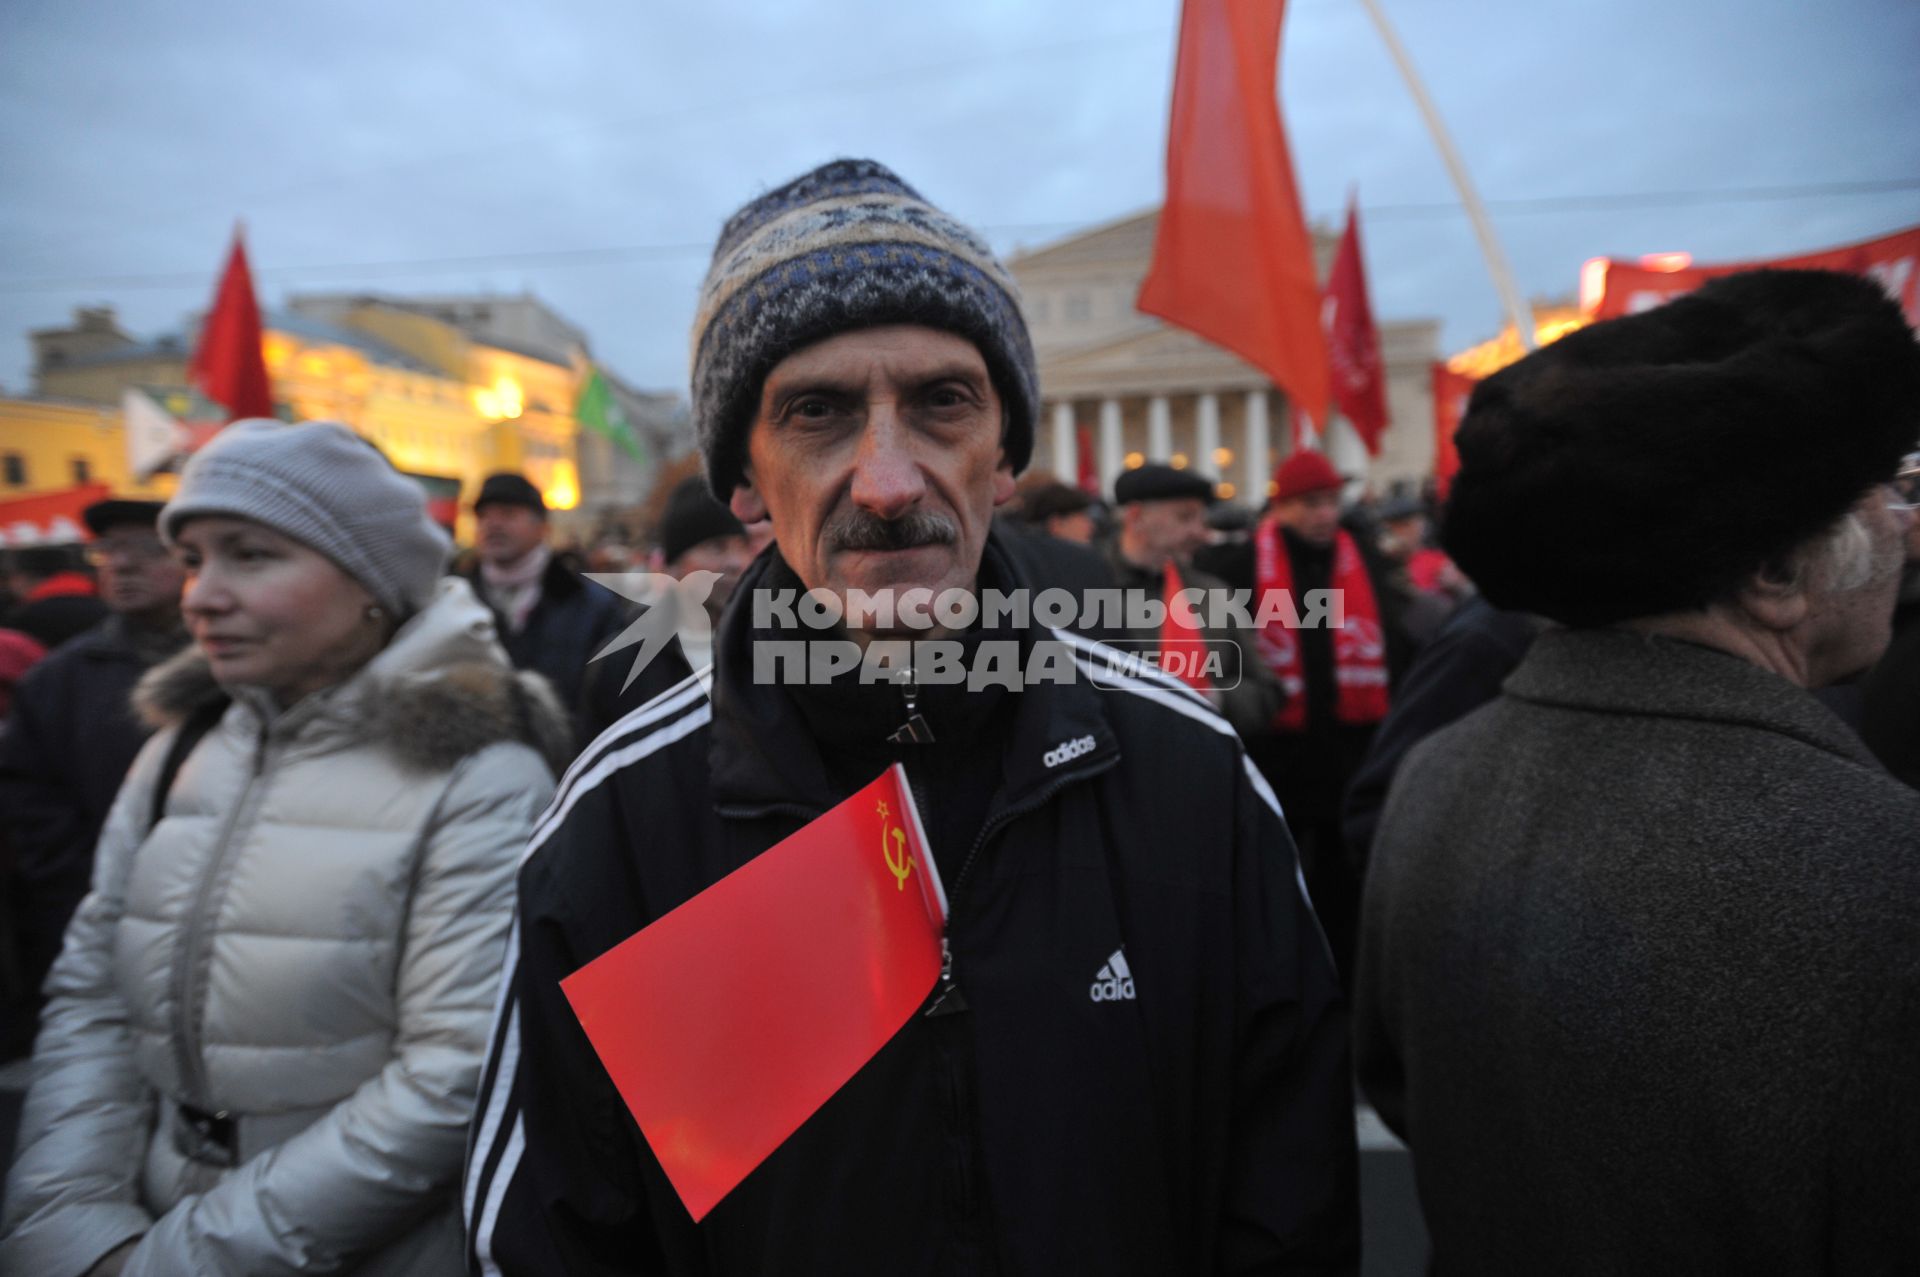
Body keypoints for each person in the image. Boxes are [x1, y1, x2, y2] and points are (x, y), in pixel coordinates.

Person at [466, 158, 1358, 1276]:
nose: (889, 481)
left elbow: (1290, 1196)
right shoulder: (623, 818)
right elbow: (551, 1238)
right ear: (745, 481)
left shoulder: (1188, 769)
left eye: (942, 402)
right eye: (818, 412)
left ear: (1007, 455)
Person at [1354, 270, 1920, 1273]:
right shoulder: (1884, 861)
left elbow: (1400, 1085)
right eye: (1893, 492)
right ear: (1779, 576)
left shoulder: (1432, 778)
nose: (1908, 525)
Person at [0, 419, 568, 1277]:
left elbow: (453, 1079)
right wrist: (71, 1224)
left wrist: (178, 1261)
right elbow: (92, 998)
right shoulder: (180, 749)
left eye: (250, 556)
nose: (200, 595)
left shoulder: (479, 774)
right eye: (194, 559)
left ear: (370, 583)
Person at [1196, 450, 1407, 984]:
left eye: (1333, 502)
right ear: (1283, 506)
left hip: (1348, 758)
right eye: (1313, 503)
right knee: (1271, 883)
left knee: (1346, 889)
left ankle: (1347, 981)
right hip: (1274, 757)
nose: (1325, 514)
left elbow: (1394, 645)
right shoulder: (1240, 566)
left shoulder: (1361, 561)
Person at [0, 499, 188, 1064]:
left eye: (147, 551)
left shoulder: (242, 665)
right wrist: (81, 885)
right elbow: (28, 794)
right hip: (101, 921)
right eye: (110, 552)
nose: (122, 566)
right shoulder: (62, 676)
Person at [1106, 463, 1281, 737]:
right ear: (1136, 517)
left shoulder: (1212, 593)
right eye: (1185, 518)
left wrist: (1214, 698)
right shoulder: (1083, 588)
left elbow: (1266, 691)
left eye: (1201, 519)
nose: (1201, 532)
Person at [577, 474, 755, 736]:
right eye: (717, 548)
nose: (736, 562)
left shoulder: (771, 648)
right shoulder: (622, 663)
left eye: (743, 547)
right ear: (672, 567)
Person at [460, 471, 627, 715]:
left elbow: (613, 699)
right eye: (484, 516)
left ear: (542, 528)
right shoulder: (455, 603)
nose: (493, 525)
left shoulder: (591, 606)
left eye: (508, 514)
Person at [3, 547, 107, 651]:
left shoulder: (23, 617)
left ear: (25, 577)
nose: (11, 585)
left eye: (12, 577)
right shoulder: (105, 607)